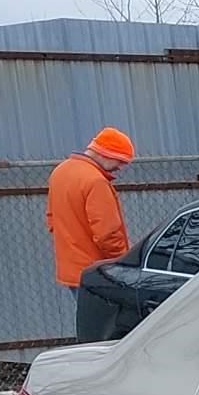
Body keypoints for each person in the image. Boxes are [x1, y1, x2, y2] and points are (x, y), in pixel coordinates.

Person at [47, 128, 135, 341]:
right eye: (120, 161)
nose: (120, 168)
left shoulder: (60, 172)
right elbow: (108, 234)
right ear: (106, 154)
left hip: (71, 270)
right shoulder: (96, 182)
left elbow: (51, 219)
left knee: (89, 326)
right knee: (108, 334)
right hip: (98, 272)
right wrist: (126, 264)